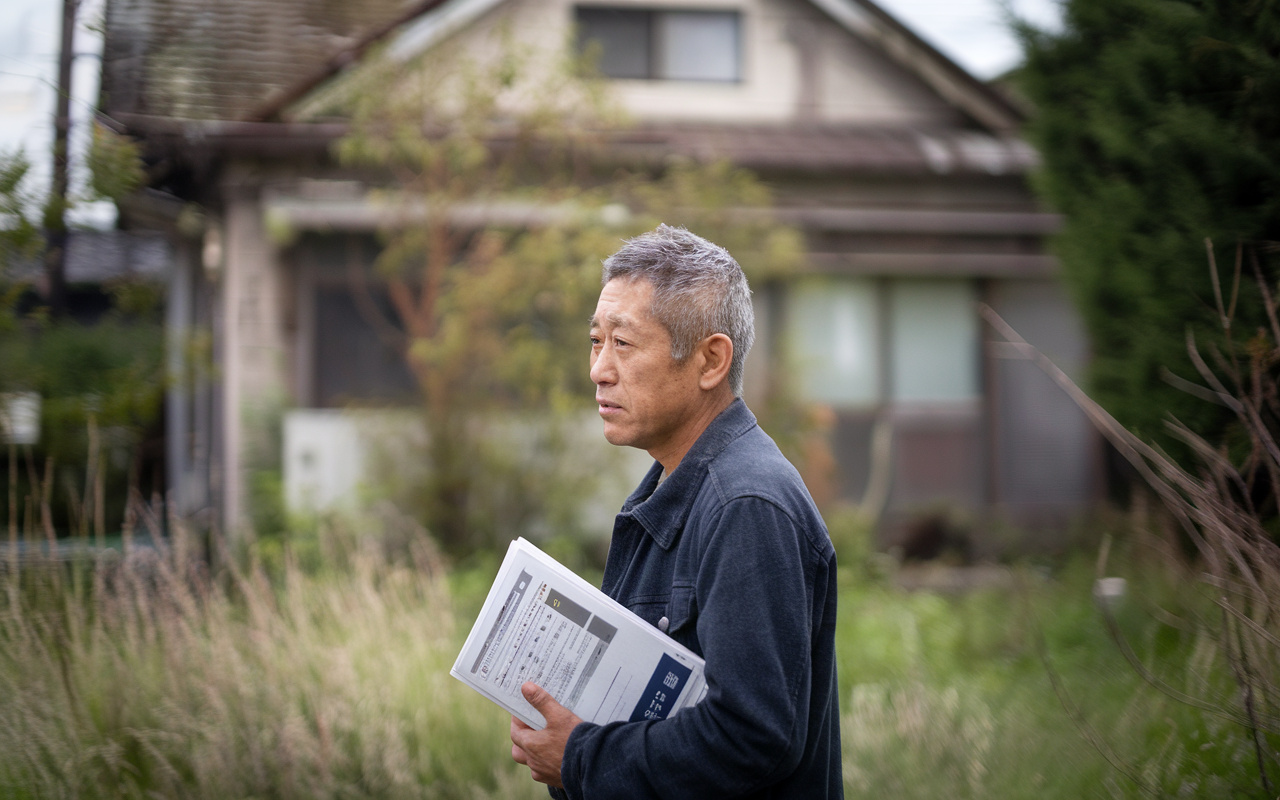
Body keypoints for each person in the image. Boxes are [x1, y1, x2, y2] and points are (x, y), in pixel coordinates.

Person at [509, 224, 843, 799]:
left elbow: (751, 737)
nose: (598, 370)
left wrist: (582, 758)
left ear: (711, 360)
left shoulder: (746, 506)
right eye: (596, 341)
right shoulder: (671, 489)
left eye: (624, 343)